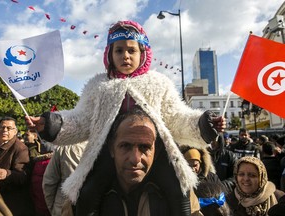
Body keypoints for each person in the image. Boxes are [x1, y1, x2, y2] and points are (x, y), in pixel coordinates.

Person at [26, 20, 226, 215]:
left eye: (132, 50)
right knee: (87, 192)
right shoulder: (99, 86)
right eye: (119, 50)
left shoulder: (158, 83)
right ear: (110, 54)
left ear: (143, 53)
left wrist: (203, 124)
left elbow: (176, 117)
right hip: (108, 150)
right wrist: (52, 125)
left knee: (179, 191)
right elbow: (81, 120)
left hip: (156, 151)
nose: (126, 56)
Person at [85, 107, 203, 215]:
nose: (135, 159)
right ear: (111, 148)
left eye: (144, 147)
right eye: (125, 146)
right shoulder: (82, 196)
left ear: (156, 152)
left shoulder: (182, 196)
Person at [0, 117, 35, 215]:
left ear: (15, 131)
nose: (5, 130)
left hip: (8, 201)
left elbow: (23, 176)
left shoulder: (20, 149)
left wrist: (7, 173)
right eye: (2, 127)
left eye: (9, 128)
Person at [42, 142, 87, 216]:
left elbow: (48, 182)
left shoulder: (65, 148)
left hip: (63, 208)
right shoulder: (104, 146)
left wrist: (53, 209)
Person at [23, 129, 54, 216]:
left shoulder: (38, 147)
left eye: (27, 135)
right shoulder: (24, 147)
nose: (25, 137)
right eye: (24, 135)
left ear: (35, 136)